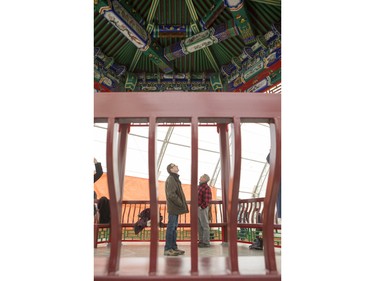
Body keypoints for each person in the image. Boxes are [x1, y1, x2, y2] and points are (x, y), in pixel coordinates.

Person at [164, 163, 189, 256]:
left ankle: (174, 247)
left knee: (174, 228)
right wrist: (180, 203)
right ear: (171, 169)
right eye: (175, 166)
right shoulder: (171, 179)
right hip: (174, 207)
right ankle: (168, 248)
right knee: (171, 228)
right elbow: (171, 194)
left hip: (175, 207)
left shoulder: (174, 178)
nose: (177, 166)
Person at [197, 174, 212, 248]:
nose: (200, 178)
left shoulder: (206, 188)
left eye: (201, 177)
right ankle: (201, 241)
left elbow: (207, 200)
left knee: (205, 225)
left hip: (202, 208)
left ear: (205, 179)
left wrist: (201, 207)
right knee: (199, 225)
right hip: (198, 208)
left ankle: (206, 242)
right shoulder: (199, 186)